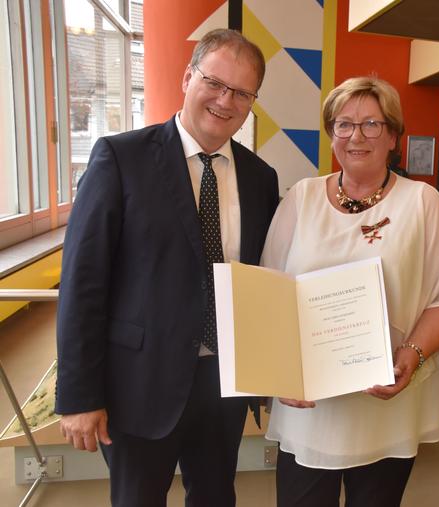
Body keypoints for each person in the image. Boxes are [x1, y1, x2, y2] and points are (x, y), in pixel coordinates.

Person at [55, 29, 279, 506]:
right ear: (187, 77)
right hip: (140, 382)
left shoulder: (262, 178)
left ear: (252, 101)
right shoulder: (120, 157)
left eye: (241, 92)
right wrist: (78, 394)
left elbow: (264, 280)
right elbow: (83, 283)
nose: (225, 100)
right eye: (214, 82)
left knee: (217, 498)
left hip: (225, 383)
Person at [261, 76, 439, 507]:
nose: (357, 136)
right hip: (310, 408)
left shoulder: (423, 204)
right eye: (344, 124)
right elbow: (269, 292)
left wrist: (412, 353)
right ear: (331, 133)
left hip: (386, 405)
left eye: (372, 124)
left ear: (393, 135)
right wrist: (278, 370)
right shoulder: (301, 198)